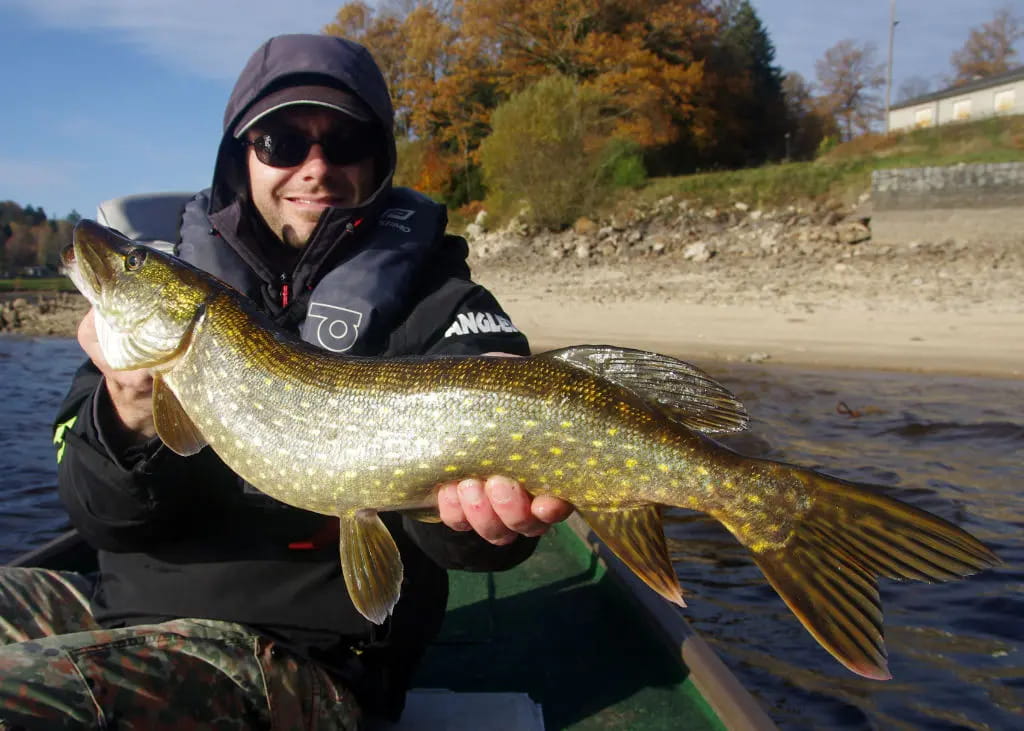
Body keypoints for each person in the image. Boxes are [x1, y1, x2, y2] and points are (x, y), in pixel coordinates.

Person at [0, 33, 572, 729]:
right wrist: (128, 411)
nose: (316, 167)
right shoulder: (170, 305)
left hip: (300, 656)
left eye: (346, 141)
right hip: (120, 613)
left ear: (379, 158)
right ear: (241, 157)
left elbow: (474, 541)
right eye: (282, 142)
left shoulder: (443, 306)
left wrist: (484, 524)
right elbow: (101, 517)